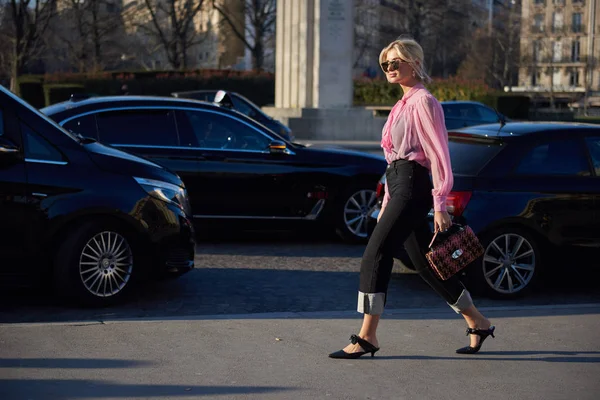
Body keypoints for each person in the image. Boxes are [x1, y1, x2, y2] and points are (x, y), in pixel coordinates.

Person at [329, 37, 495, 359]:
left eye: (395, 62)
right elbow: (394, 161)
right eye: (385, 64)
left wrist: (440, 203)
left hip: (414, 187)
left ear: (414, 63)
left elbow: (438, 155)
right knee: (429, 265)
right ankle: (478, 322)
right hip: (399, 186)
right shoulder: (403, 103)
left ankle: (368, 336)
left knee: (375, 254)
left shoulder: (424, 102)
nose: (389, 68)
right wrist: (389, 199)